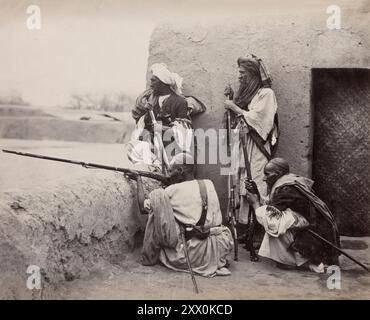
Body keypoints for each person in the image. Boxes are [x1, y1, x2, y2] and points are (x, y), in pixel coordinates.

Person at [128, 153, 234, 277]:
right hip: (220, 247)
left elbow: (142, 207)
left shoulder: (171, 191)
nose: (168, 175)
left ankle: (152, 257)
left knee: (157, 202)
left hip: (196, 253)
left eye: (170, 171)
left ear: (180, 170)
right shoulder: (208, 184)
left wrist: (138, 179)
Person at [243, 157, 340, 273]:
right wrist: (257, 194)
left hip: (315, 239)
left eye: (267, 174)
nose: (264, 179)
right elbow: (274, 205)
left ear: (278, 173)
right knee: (281, 219)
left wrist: (255, 204)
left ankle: (303, 261)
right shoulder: (289, 182)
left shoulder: (286, 188)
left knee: (275, 224)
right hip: (315, 234)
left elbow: (271, 220)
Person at [223, 54, 279, 244]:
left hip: (257, 147)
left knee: (256, 185)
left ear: (253, 75)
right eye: (238, 73)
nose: (239, 77)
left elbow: (261, 119)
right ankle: (246, 229)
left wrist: (235, 108)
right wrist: (233, 102)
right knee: (243, 185)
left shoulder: (266, 94)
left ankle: (260, 232)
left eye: (242, 73)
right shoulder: (247, 95)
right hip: (243, 145)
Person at [129, 63, 193, 169]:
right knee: (132, 147)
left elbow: (184, 131)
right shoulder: (152, 101)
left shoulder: (179, 101)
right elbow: (144, 127)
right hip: (153, 146)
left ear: (163, 83)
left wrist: (163, 128)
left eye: (154, 80)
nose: (151, 84)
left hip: (171, 149)